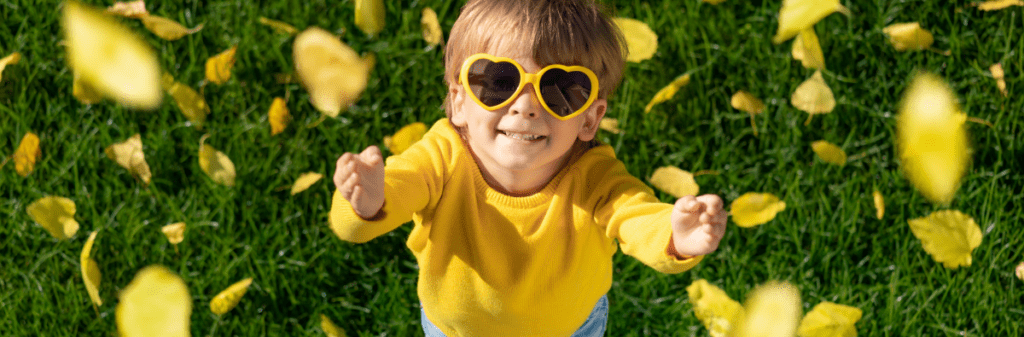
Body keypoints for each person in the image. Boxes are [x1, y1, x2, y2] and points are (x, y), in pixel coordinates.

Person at [329, 0, 728, 335]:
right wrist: (368, 200)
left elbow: (635, 217)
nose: (526, 105)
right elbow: (373, 212)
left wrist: (674, 236)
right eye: (499, 81)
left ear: (590, 119)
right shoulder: (440, 159)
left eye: (560, 90)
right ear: (459, 102)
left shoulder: (595, 178)